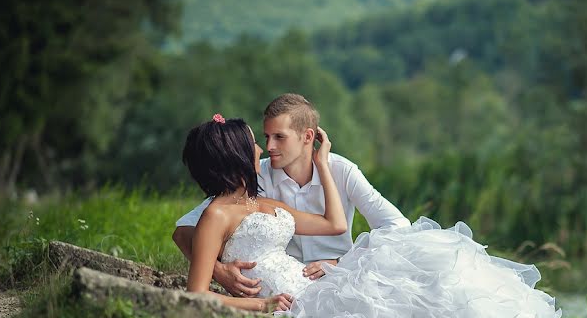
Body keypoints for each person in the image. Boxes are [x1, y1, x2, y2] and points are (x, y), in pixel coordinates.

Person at [182, 114, 563, 318]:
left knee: (412, 285)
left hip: (311, 285)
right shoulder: (216, 214)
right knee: (386, 315)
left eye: (270, 138)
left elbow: (334, 223)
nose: (261, 148)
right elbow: (196, 293)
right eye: (254, 142)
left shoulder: (262, 202)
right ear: (232, 154)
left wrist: (323, 167)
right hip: (288, 302)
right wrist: (244, 292)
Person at [173, 93, 410, 298]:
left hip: (343, 274)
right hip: (284, 287)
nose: (269, 147)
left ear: (307, 137)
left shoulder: (342, 170)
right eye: (266, 137)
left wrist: (342, 263)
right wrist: (217, 270)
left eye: (279, 137)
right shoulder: (256, 175)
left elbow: (397, 225)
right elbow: (184, 230)